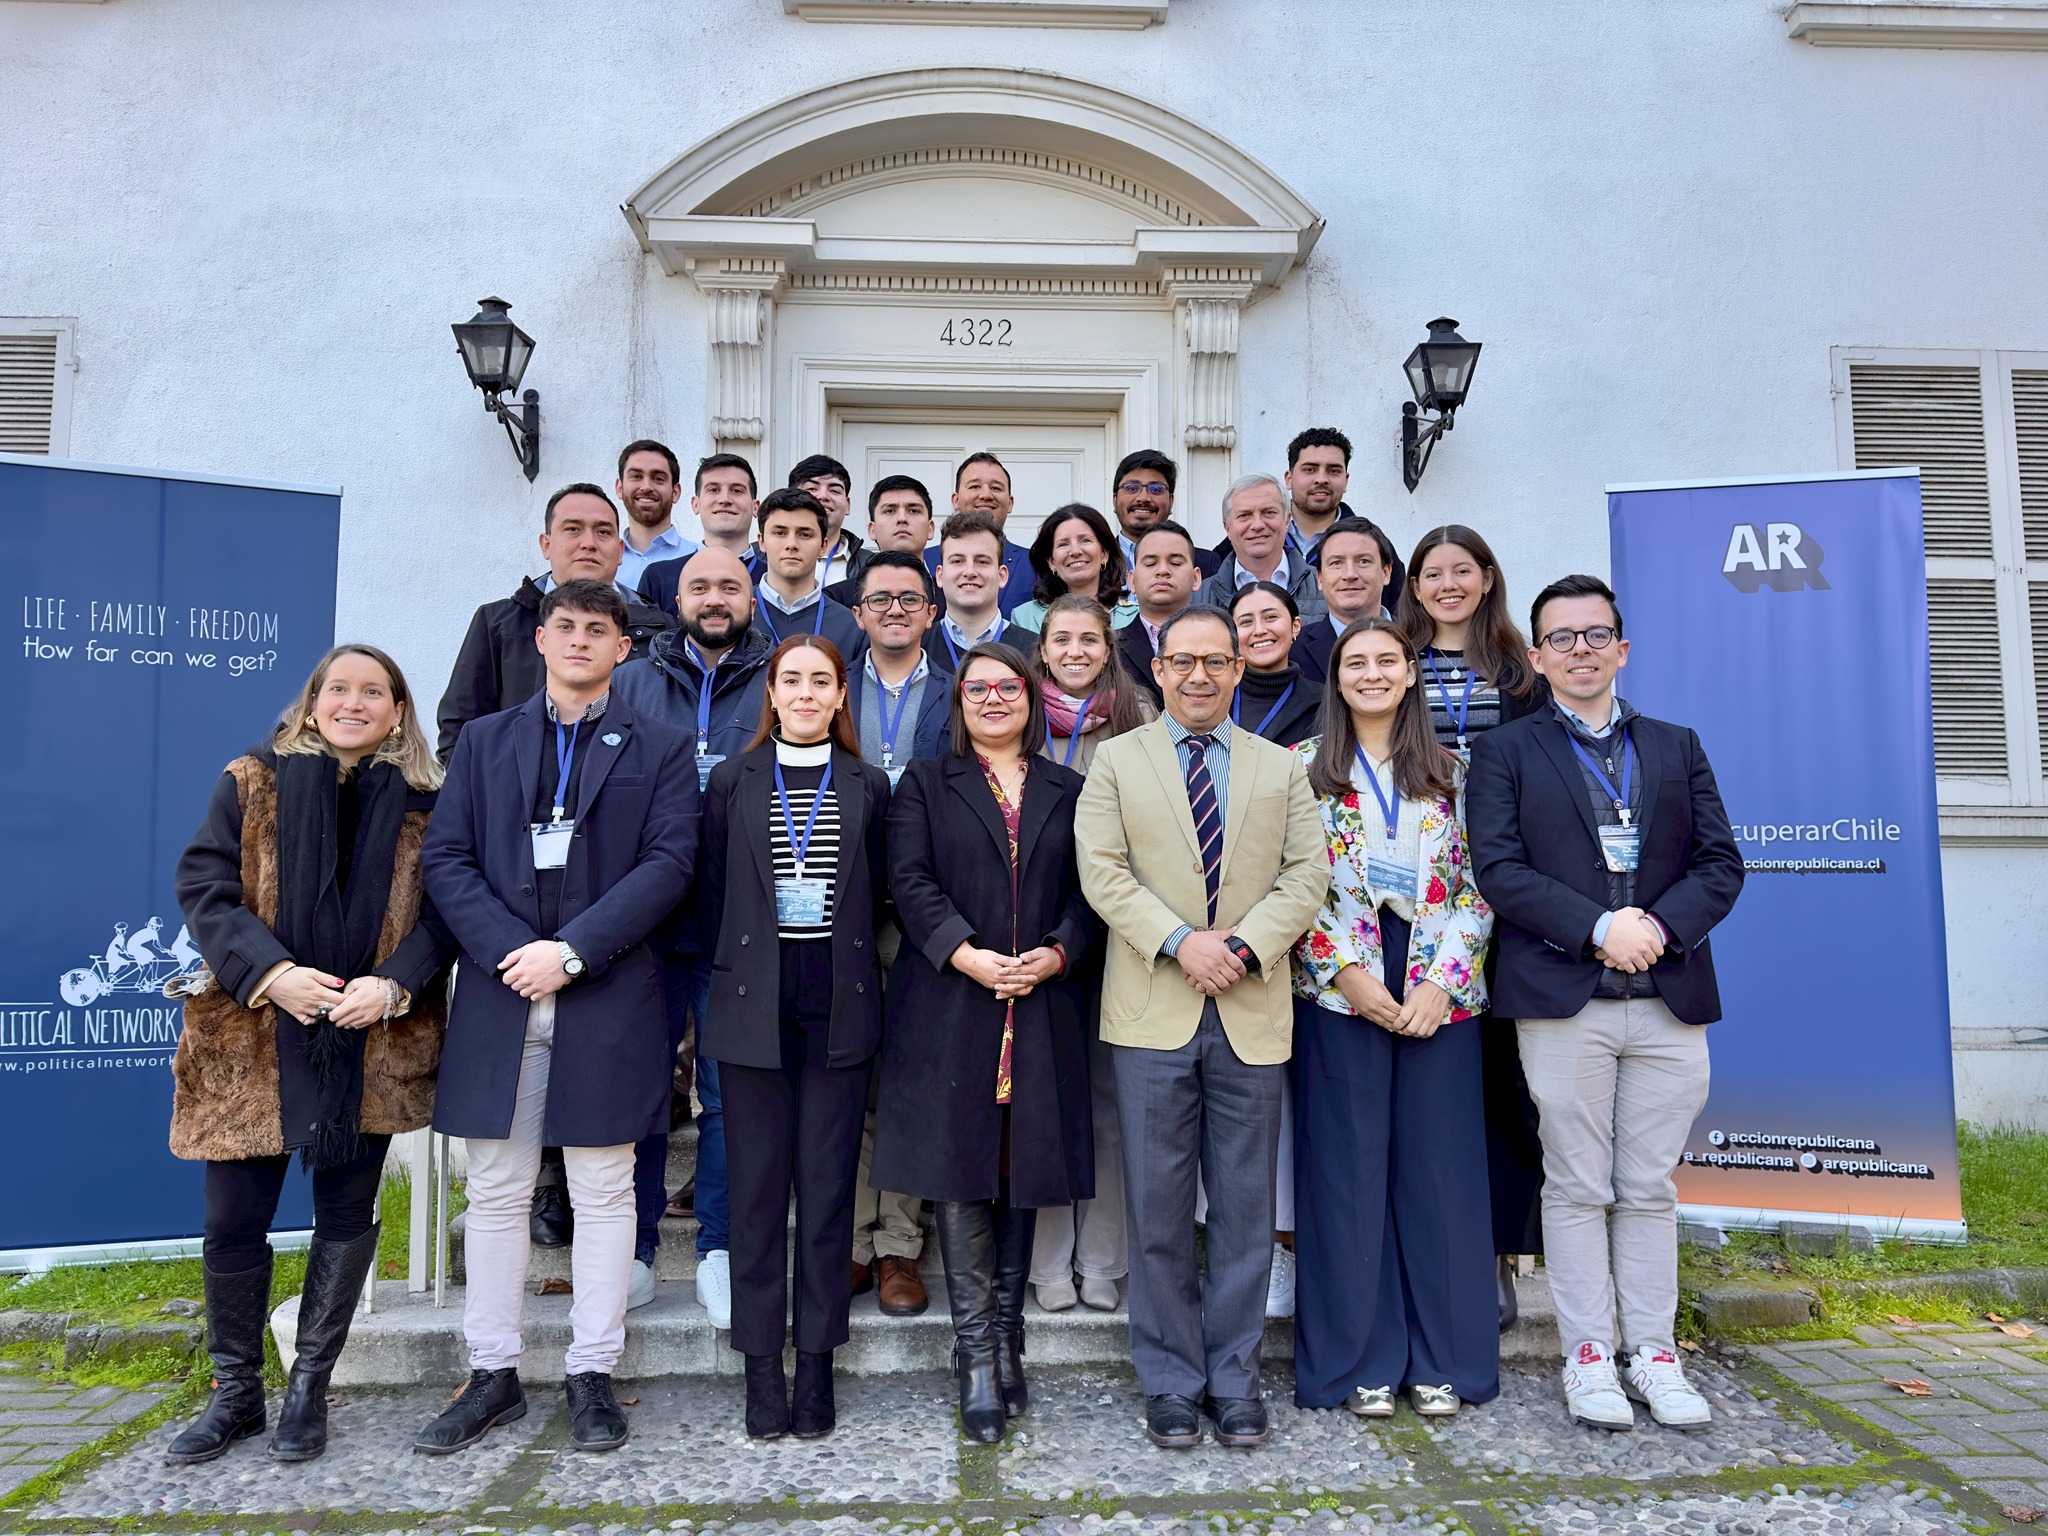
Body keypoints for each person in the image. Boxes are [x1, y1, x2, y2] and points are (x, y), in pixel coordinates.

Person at [414, 580, 699, 1457]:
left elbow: (669, 863)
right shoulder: (488, 741)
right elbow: (447, 857)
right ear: (540, 641)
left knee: (605, 1190)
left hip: (606, 991)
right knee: (497, 1191)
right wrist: (515, 952)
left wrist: (570, 952)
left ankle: (592, 1371)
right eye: (566, 627)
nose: (581, 640)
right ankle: (493, 1372)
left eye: (599, 630)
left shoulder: (660, 744)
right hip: (503, 994)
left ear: (622, 647)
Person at [1466, 574, 1744, 1433]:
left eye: (1596, 636)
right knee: (1578, 1181)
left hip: (1666, 995)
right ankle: (1589, 1354)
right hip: (1563, 996)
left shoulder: (1675, 744)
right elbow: (1500, 871)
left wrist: (1653, 929)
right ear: (1537, 656)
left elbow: (1720, 863)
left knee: (1650, 1185)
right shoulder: (1505, 753)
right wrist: (1596, 929)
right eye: (1562, 638)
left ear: (1622, 648)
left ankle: (1653, 1353)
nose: (1580, 650)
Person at [166, 645, 454, 1466]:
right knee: (233, 1220)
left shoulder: (427, 806)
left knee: (344, 1214)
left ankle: (308, 1390)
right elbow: (205, 886)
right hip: (256, 1035)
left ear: (398, 712)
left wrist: (393, 987)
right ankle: (236, 1394)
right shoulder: (250, 780)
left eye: (375, 691)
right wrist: (275, 974)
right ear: (313, 700)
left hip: (369, 1042)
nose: (354, 702)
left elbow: (443, 915)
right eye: (340, 688)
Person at [1074, 605, 1327, 1451]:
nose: (1197, 676)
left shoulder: (1280, 767)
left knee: (1246, 1209)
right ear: (1158, 665)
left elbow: (1306, 875)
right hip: (1153, 1009)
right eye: (1182, 660)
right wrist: (1184, 943)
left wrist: (1243, 949)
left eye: (1214, 661)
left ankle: (1236, 1378)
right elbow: (1102, 873)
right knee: (1156, 1209)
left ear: (1236, 667)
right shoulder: (1116, 761)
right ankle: (1172, 1381)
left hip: (1250, 1007)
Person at [872, 642, 1096, 1442]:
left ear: (1032, 699)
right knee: (963, 1171)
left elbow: (1091, 891)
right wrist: (967, 953)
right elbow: (909, 881)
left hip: (1042, 1004)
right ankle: (974, 1358)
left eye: (1009, 687)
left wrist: (1060, 952)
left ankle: (1009, 1342)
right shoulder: (927, 784)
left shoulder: (1073, 788)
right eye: (978, 688)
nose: (994, 699)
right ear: (958, 701)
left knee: (1018, 1164)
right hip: (951, 1002)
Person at [1289, 619, 1498, 1420]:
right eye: (1356, 663)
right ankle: (1360, 1361)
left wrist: (1443, 982)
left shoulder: (1458, 772)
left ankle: (1445, 1359)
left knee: (1441, 1175)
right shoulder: (1300, 772)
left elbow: (1483, 886)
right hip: (1340, 984)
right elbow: (1288, 885)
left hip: (1439, 983)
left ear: (1411, 675)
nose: (1372, 674)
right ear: (1336, 679)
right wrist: (1346, 973)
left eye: (1387, 661)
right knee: (1346, 1174)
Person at [697, 637, 892, 1441]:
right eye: (792, 681)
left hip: (837, 1001)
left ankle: (815, 1365)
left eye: (821, 681)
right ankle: (759, 1367)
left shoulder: (869, 786)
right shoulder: (731, 781)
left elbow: (884, 899)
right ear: (770, 694)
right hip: (751, 1002)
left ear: (842, 696)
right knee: (754, 1196)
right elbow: (710, 894)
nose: (806, 693)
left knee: (826, 1196)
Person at [609, 547, 778, 1330]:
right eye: (699, 587)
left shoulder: (781, 676)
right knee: (640, 1094)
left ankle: (717, 1249)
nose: (715, 599)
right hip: (641, 923)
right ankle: (634, 1251)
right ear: (673, 598)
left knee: (724, 1098)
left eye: (730, 586)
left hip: (736, 922)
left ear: (754, 594)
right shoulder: (633, 679)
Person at [1395, 524, 1549, 1329]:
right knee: (1433, 1088)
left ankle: (1497, 1254)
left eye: (1463, 571)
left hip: (1507, 888)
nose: (1448, 584)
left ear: (1487, 578)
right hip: (1421, 894)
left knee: (1501, 1087)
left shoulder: (1525, 675)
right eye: (1433, 573)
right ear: (1414, 585)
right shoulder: (1398, 664)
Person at [1026, 595, 1154, 1314]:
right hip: (1041, 936)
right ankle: (1048, 1263)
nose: (1075, 650)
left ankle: (1103, 1261)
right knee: (1047, 1100)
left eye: (1090, 640)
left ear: (1109, 650)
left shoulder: (1140, 729)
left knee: (1108, 1101)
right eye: (1062, 639)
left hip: (1121, 936)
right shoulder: (1017, 724)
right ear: (1042, 649)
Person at [843, 550, 950, 1317]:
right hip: (836, 910)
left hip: (924, 910)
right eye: (879, 598)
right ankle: (848, 1244)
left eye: (909, 598)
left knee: (908, 1084)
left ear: (932, 613)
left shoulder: (961, 690)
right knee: (847, 1081)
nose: (894, 609)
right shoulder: (822, 685)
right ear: (857, 613)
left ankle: (898, 1249)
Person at [437, 484, 674, 761]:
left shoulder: (661, 629)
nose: (589, 543)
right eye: (573, 529)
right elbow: (459, 727)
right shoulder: (498, 624)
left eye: (603, 532)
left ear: (620, 551)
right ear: (546, 545)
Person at [1278, 429, 1406, 602]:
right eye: (1310, 469)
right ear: (1289, 479)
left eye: (1333, 471)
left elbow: (1397, 613)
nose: (1321, 479)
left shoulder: (1372, 543)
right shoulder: (1258, 537)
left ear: (1345, 480)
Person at [751, 488, 867, 660]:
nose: (792, 544)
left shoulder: (851, 626)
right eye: (780, 533)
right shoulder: (736, 614)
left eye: (805, 534)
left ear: (823, 546)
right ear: (761, 542)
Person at [638, 454, 761, 616]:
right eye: (714, 490)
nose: (725, 499)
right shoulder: (658, 577)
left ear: (755, 507)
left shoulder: (772, 579)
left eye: (737, 490)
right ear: (695, 504)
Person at [1195, 474, 1327, 623]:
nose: (1257, 525)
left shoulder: (1327, 589)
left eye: (1269, 512)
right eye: (1244, 515)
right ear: (1227, 527)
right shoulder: (1197, 598)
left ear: (1287, 521)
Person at [922, 452, 1034, 615]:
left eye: (996, 488)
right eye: (975, 486)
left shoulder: (1035, 565)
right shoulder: (926, 562)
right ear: (956, 500)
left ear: (1010, 503)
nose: (986, 495)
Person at [1006, 503, 1138, 635]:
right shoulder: (1025, 618)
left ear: (1104, 554)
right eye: (1063, 544)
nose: (1075, 551)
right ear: (1052, 561)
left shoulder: (1134, 616)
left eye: (1085, 540)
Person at [1295, 517, 1398, 685]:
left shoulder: (1419, 640)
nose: (1349, 574)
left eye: (1363, 561)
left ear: (1386, 572)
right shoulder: (1294, 653)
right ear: (1319, 578)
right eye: (1336, 563)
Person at [1118, 520, 1203, 707]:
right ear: (1131, 581)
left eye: (1175, 562)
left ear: (1196, 578)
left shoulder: (1221, 643)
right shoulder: (1110, 648)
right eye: (1150, 563)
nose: (1163, 571)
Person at [1227, 583, 1320, 749]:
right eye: (1246, 621)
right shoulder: (1214, 698)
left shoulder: (1324, 704)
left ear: (1295, 626)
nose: (1259, 630)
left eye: (1270, 617)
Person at [826, 475, 936, 609]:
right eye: (889, 511)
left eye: (914, 511)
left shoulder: (953, 594)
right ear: (872, 530)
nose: (902, 518)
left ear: (930, 529)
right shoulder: (836, 598)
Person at [924, 510, 1014, 672]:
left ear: (1002, 576)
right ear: (940, 575)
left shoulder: (1034, 649)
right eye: (958, 561)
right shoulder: (917, 647)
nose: (970, 572)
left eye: (982, 561)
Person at [1111, 450, 1221, 578]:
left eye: (1156, 489)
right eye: (1132, 488)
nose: (1143, 498)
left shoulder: (1205, 564)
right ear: (1115, 500)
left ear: (1171, 501)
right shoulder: (1093, 562)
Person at [615, 439, 701, 596]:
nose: (647, 487)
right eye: (636, 476)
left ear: (675, 492)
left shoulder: (700, 557)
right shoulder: (600, 561)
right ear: (619, 488)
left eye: (658, 478)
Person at [788, 454, 869, 592]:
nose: (824, 496)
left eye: (834, 490)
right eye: (812, 489)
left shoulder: (870, 564)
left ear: (848, 505)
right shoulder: (762, 556)